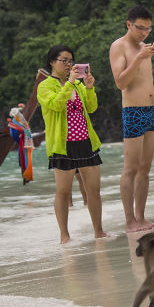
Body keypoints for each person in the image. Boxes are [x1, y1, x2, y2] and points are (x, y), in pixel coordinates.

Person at [37, 44, 108, 243]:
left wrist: (90, 87)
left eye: (71, 60)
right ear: (52, 62)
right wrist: (69, 83)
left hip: (86, 141)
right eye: (64, 60)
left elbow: (92, 107)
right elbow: (57, 105)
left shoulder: (77, 84)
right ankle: (64, 235)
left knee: (93, 189)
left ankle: (98, 231)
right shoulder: (45, 86)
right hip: (62, 145)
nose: (69, 64)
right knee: (63, 191)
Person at [109, 5, 154, 233]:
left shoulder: (144, 47)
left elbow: (148, 81)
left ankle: (141, 217)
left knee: (145, 168)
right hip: (133, 112)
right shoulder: (118, 46)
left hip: (152, 110)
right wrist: (139, 57)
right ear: (129, 24)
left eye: (148, 29)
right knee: (130, 168)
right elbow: (121, 82)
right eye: (141, 28)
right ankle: (130, 220)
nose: (144, 33)